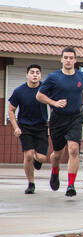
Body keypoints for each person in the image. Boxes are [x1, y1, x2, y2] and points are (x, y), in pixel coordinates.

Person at [36, 47, 83, 197]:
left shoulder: (82, 77)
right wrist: (54, 103)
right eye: (65, 57)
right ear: (61, 59)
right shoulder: (54, 77)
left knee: (74, 149)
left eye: (71, 58)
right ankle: (55, 171)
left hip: (75, 117)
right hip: (58, 119)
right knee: (57, 154)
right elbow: (39, 95)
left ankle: (71, 185)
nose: (68, 60)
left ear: (75, 60)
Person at [8, 64, 49, 194]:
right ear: (27, 75)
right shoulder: (19, 91)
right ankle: (31, 183)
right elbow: (11, 110)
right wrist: (16, 128)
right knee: (29, 155)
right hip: (25, 127)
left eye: (37, 72)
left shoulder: (45, 89)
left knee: (42, 158)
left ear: (40, 75)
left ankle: (38, 160)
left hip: (42, 126)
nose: (35, 74)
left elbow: (54, 104)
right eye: (32, 72)